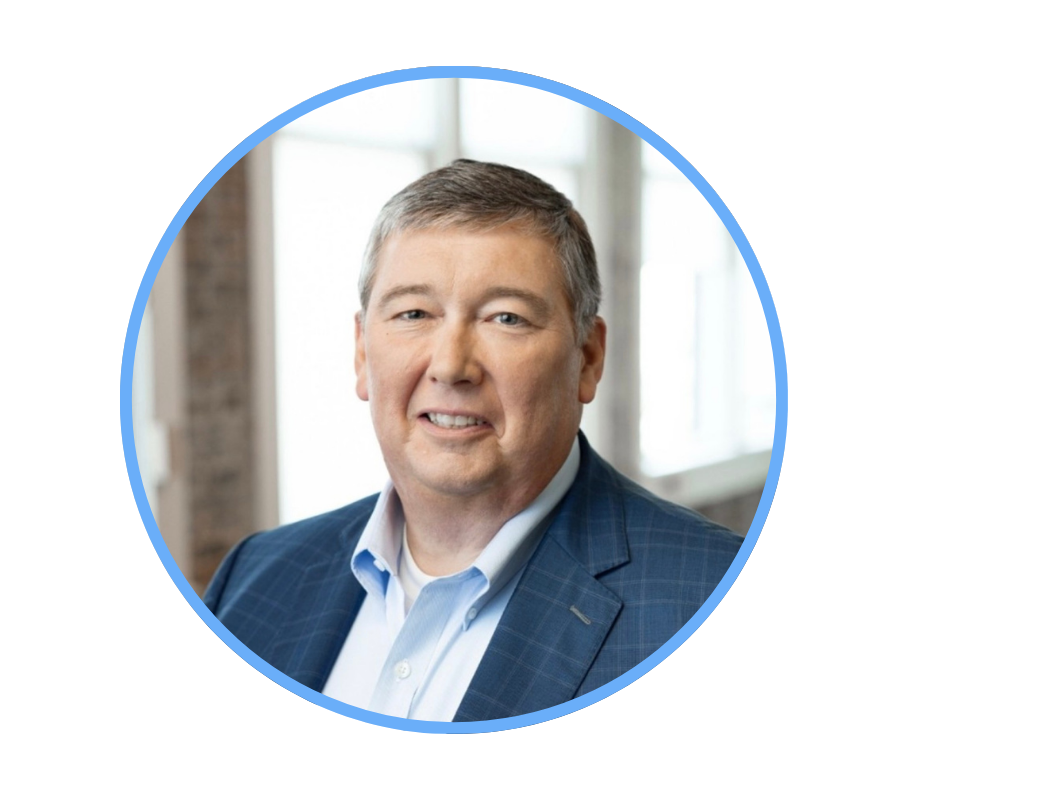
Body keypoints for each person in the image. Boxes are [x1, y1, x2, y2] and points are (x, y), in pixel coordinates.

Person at [204, 159, 744, 722]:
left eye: (505, 318)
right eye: (413, 312)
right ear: (362, 353)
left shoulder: (704, 594)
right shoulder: (254, 578)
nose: (451, 366)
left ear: (587, 358)